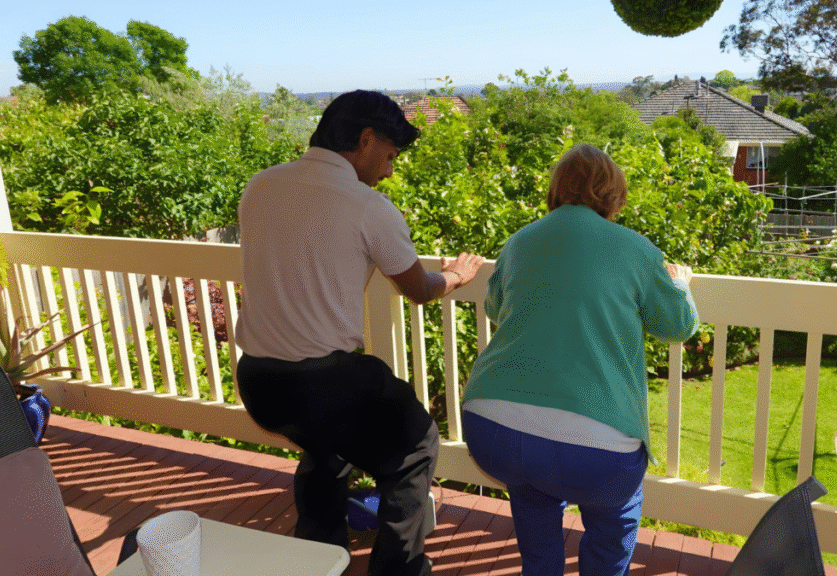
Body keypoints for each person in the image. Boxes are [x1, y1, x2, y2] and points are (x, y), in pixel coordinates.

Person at [234, 90, 484, 576]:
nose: (389, 171)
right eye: (389, 156)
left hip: (260, 382)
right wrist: (456, 275)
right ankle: (399, 569)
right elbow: (419, 289)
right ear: (366, 140)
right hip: (324, 382)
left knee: (326, 448)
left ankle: (318, 559)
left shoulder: (260, 185)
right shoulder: (367, 206)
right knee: (416, 445)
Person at [461, 143, 699, 576]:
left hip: (493, 426)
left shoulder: (519, 241)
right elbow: (677, 325)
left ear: (555, 190)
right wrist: (680, 285)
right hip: (597, 449)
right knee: (614, 520)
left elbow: (496, 308)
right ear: (614, 194)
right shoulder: (635, 248)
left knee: (533, 495)